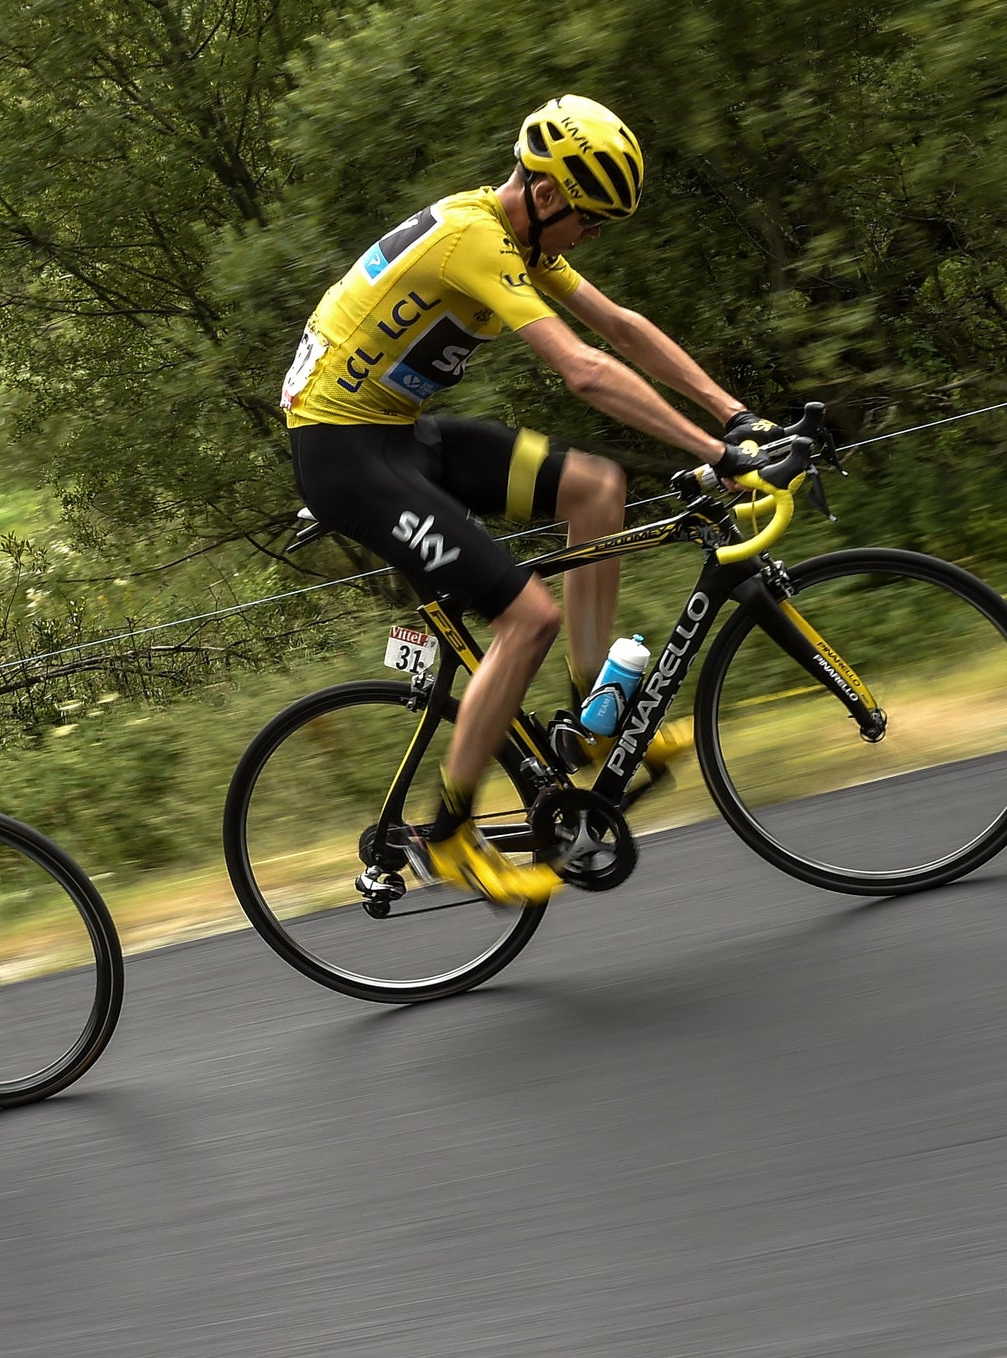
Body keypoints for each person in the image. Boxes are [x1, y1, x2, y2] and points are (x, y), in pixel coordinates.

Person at [280, 94, 785, 907]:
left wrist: (735, 416)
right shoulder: (475, 241)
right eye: (591, 220)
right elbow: (583, 370)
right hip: (344, 456)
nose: (594, 237)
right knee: (529, 615)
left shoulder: (517, 232)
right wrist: (717, 455)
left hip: (396, 433)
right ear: (548, 196)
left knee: (598, 486)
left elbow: (619, 327)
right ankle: (448, 834)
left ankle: (594, 721)